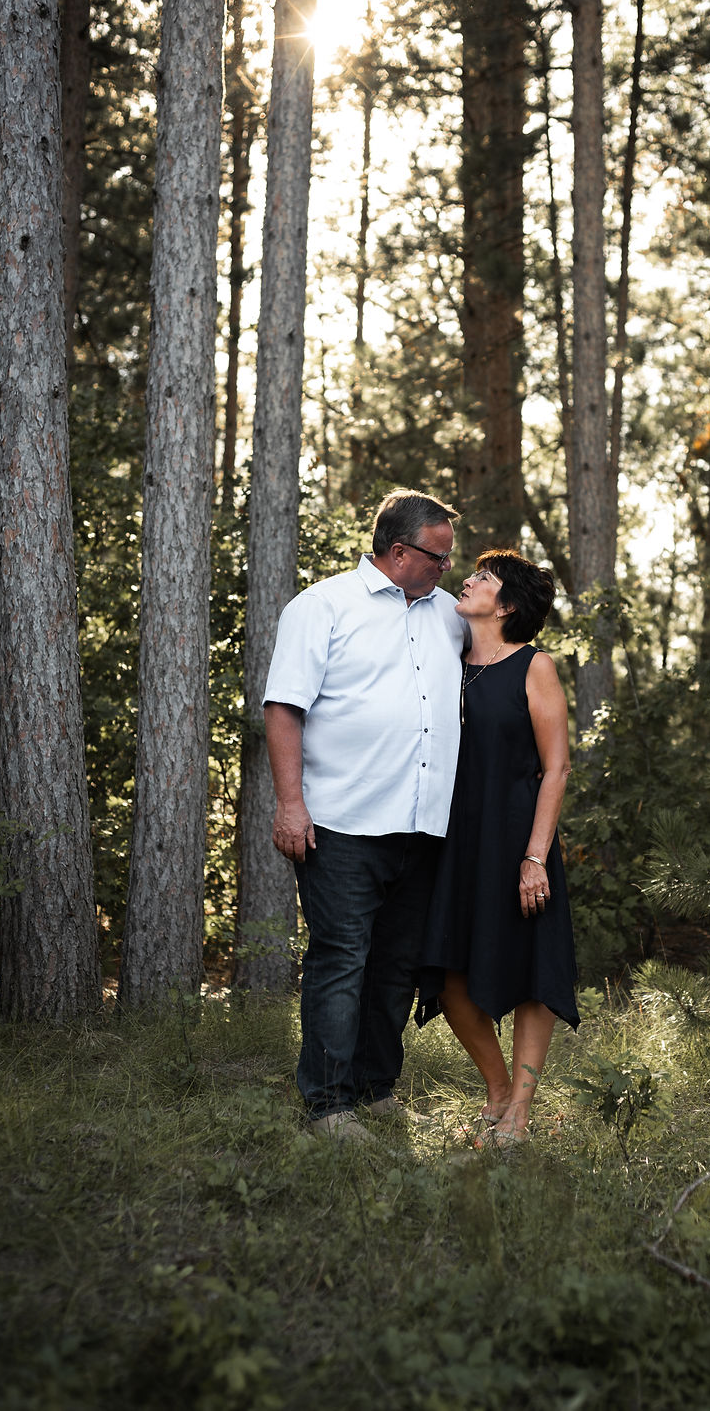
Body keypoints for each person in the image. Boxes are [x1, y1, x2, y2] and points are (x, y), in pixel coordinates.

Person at [263, 489, 467, 1141]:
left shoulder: (448, 616)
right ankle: (327, 1106)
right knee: (341, 961)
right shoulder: (321, 607)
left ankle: (376, 1092)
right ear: (400, 550)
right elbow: (284, 708)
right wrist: (291, 805)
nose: (447, 570)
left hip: (423, 826)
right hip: (342, 824)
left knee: (395, 969)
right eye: (438, 557)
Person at [416, 550, 579, 1146]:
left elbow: (556, 769)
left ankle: (520, 1113)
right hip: (453, 839)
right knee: (445, 971)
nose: (469, 579)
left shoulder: (534, 667)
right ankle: (498, 1088)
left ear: (506, 604)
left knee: (532, 969)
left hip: (516, 837)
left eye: (484, 578)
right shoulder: (447, 663)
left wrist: (535, 858)